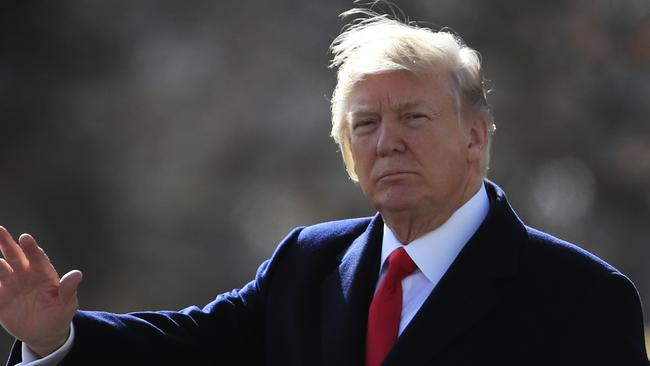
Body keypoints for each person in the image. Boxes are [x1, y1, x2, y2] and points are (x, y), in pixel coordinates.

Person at [1, 7, 648, 366]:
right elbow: (185, 348)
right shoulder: (307, 266)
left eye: (414, 118)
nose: (387, 140)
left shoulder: (581, 298)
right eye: (364, 124)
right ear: (346, 150)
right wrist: (55, 338)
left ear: (476, 137)